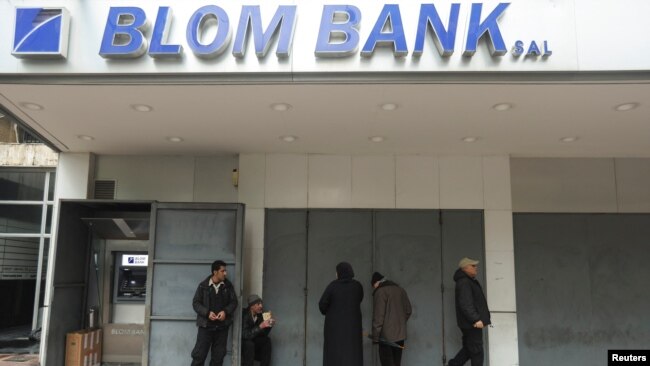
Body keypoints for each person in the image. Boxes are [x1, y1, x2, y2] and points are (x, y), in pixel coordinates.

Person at [191, 260, 238, 366]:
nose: (225, 273)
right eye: (223, 271)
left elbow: (234, 302)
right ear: (215, 272)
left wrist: (225, 312)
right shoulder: (203, 286)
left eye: (225, 271)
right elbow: (196, 303)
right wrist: (207, 313)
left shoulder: (228, 286)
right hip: (205, 327)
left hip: (221, 328)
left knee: (218, 358)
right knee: (199, 356)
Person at [319, 262, 364, 366]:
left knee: (334, 357)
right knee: (353, 356)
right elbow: (360, 299)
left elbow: (322, 305)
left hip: (334, 331)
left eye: (336, 272)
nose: (336, 274)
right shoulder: (357, 286)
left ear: (339, 273)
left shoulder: (332, 286)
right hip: (353, 330)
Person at [447, 257, 491, 366]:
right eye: (473, 265)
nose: (476, 268)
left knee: (468, 349)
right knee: (477, 351)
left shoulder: (467, 281)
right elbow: (466, 304)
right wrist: (476, 319)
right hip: (472, 324)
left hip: (469, 324)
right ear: (465, 268)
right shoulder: (464, 282)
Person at [370, 272, 412, 366]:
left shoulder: (380, 292)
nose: (374, 288)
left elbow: (378, 317)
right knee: (397, 363)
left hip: (386, 337)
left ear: (376, 283)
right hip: (400, 336)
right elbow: (408, 310)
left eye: (373, 285)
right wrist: (399, 323)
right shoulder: (400, 290)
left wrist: (375, 337)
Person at [241, 294, 274, 366]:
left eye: (261, 303)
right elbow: (245, 334)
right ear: (252, 306)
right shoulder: (245, 315)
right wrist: (260, 326)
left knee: (266, 340)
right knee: (249, 344)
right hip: (244, 344)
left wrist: (269, 325)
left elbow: (263, 335)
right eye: (258, 304)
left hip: (253, 342)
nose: (261, 306)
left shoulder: (259, 315)